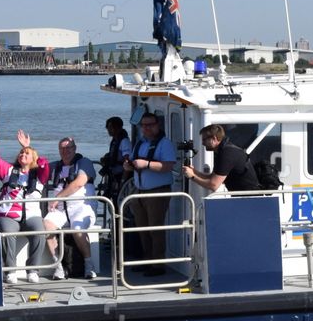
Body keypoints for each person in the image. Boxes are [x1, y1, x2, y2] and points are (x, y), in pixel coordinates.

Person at [0, 115, 55, 283]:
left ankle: (33, 270)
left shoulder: (39, 175)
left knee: (39, 232)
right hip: (8, 214)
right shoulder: (9, 171)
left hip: (31, 215)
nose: (23, 154)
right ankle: (10, 270)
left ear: (33, 158)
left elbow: (45, 166)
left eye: (27, 153)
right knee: (8, 233)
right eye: (21, 152)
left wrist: (27, 145)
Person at [124, 112, 177, 272]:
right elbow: (134, 162)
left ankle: (158, 264)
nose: (146, 128)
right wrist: (129, 166)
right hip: (139, 191)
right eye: (143, 125)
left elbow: (168, 166)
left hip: (157, 193)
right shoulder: (140, 143)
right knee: (142, 228)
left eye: (150, 125)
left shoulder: (165, 143)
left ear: (157, 125)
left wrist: (146, 164)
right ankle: (147, 261)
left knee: (156, 229)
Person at [44, 137, 98, 279]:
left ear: (75, 148)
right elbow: (35, 168)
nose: (65, 151)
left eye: (69, 147)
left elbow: (79, 183)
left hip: (81, 207)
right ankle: (58, 266)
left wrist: (57, 198)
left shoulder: (84, 163)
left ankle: (88, 265)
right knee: (46, 225)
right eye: (62, 148)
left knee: (77, 229)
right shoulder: (56, 166)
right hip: (61, 209)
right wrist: (27, 147)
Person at [183, 124, 260, 193]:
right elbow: (211, 177)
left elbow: (213, 185)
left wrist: (192, 176)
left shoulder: (227, 153)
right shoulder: (223, 150)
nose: (203, 143)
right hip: (244, 196)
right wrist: (195, 172)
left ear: (214, 138)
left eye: (204, 140)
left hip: (249, 197)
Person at [97, 116, 133, 201]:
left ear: (117, 127)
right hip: (114, 176)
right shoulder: (115, 141)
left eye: (110, 128)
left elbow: (127, 161)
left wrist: (123, 181)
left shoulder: (124, 142)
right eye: (108, 128)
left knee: (119, 201)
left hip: (120, 176)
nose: (108, 130)